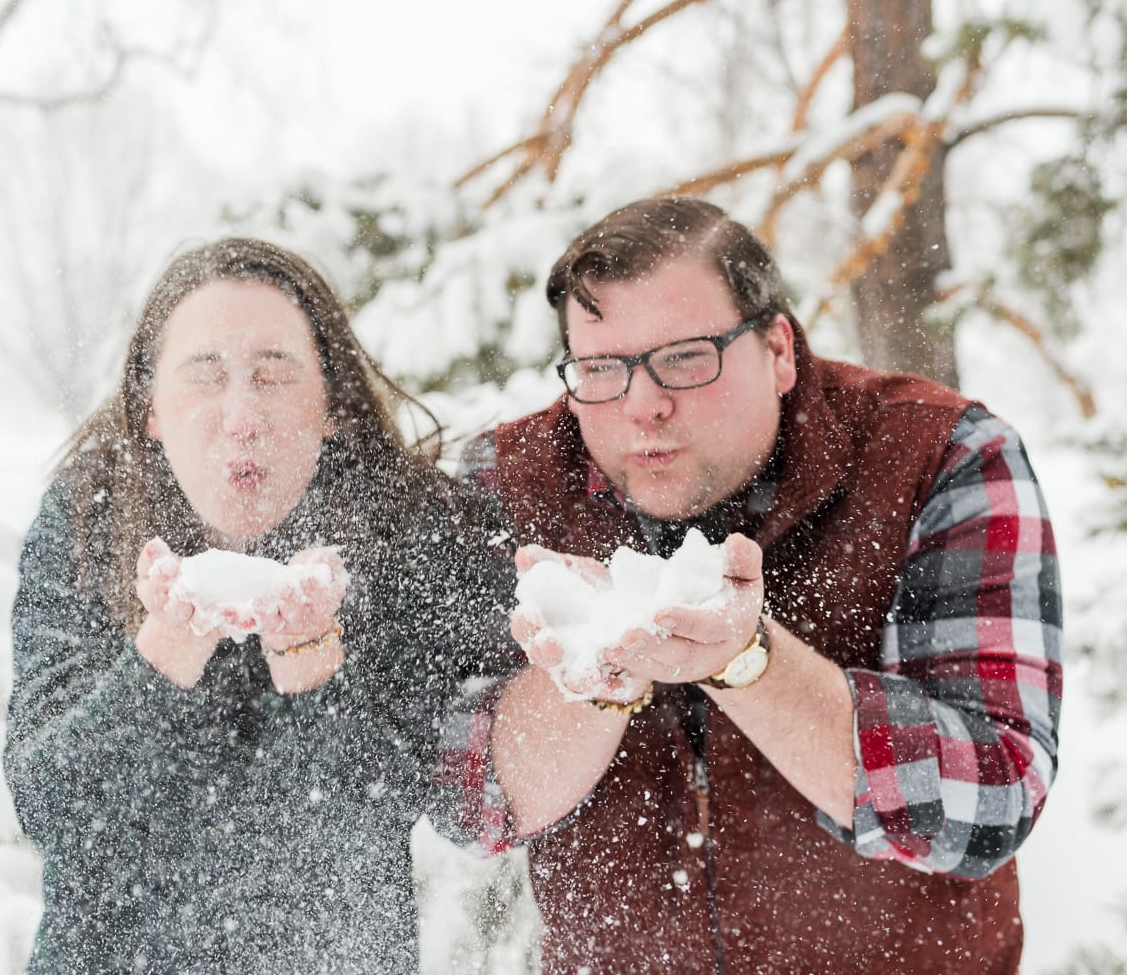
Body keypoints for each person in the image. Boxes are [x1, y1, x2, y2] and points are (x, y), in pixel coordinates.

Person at [444, 197, 1062, 973]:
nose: (642, 404)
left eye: (685, 356)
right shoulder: (510, 482)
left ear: (778, 350)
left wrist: (746, 662)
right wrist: (588, 673)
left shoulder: (939, 457)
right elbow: (466, 803)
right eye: (601, 367)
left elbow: (992, 799)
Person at [2, 237, 517, 975]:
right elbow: (51, 804)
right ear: (150, 410)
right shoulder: (89, 521)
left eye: (274, 376)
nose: (242, 417)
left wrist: (309, 667)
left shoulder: (403, 528)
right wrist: (168, 649)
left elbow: (393, 805)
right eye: (204, 378)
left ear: (331, 405)